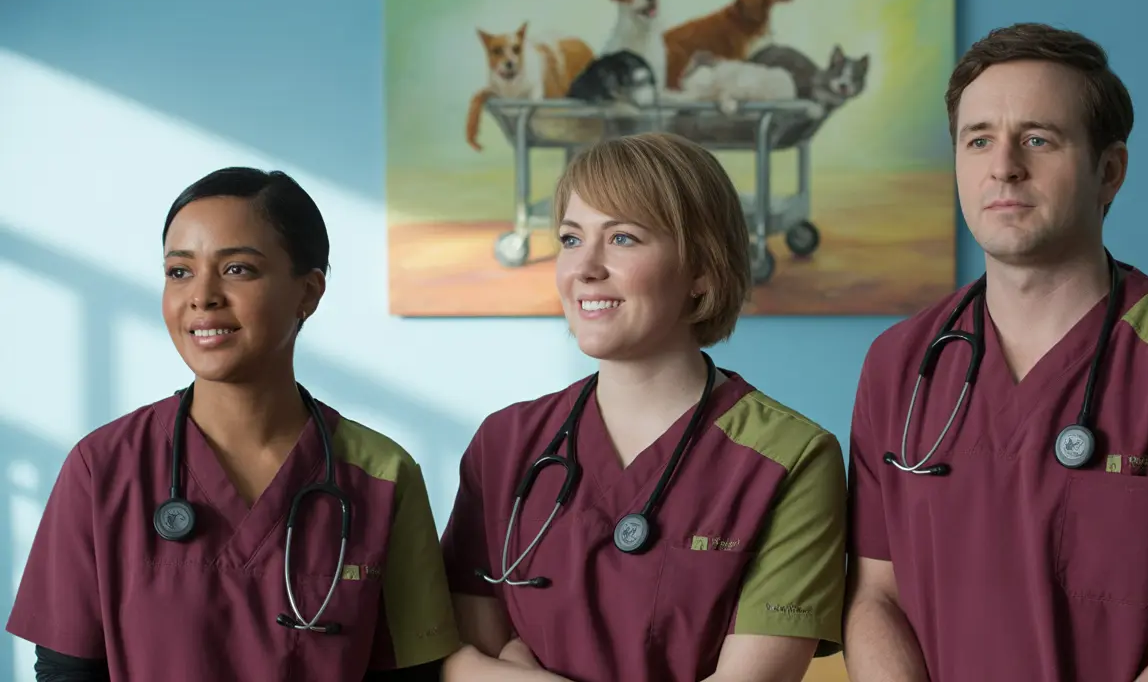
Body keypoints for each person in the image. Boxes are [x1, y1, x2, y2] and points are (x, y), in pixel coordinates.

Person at [842, 22, 1148, 681]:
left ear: (1109, 171)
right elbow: (874, 594)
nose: (1004, 164)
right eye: (979, 140)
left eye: (1038, 139)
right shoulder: (900, 366)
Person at [6, 168, 464, 681]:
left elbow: (413, 675)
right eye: (179, 272)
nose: (202, 296)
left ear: (308, 293)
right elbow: (66, 671)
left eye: (238, 270)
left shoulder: (382, 476)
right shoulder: (104, 468)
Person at [437, 132, 848, 682]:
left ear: (701, 269)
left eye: (624, 239)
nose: (585, 268)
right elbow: (456, 658)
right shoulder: (506, 444)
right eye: (570, 238)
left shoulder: (790, 458)